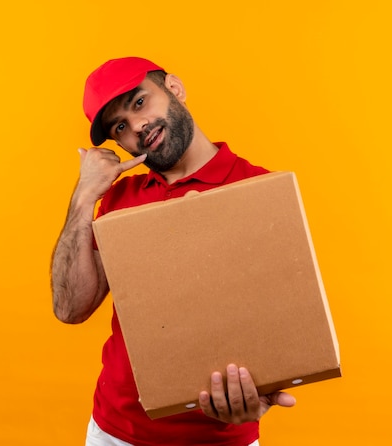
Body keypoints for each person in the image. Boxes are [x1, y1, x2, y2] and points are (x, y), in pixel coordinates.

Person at [51, 57, 296, 446]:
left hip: (219, 438)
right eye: (121, 127)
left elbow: (282, 324)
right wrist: (84, 197)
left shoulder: (258, 189)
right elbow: (70, 307)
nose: (137, 127)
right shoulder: (117, 200)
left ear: (174, 89)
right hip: (115, 433)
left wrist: (259, 399)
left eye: (138, 103)